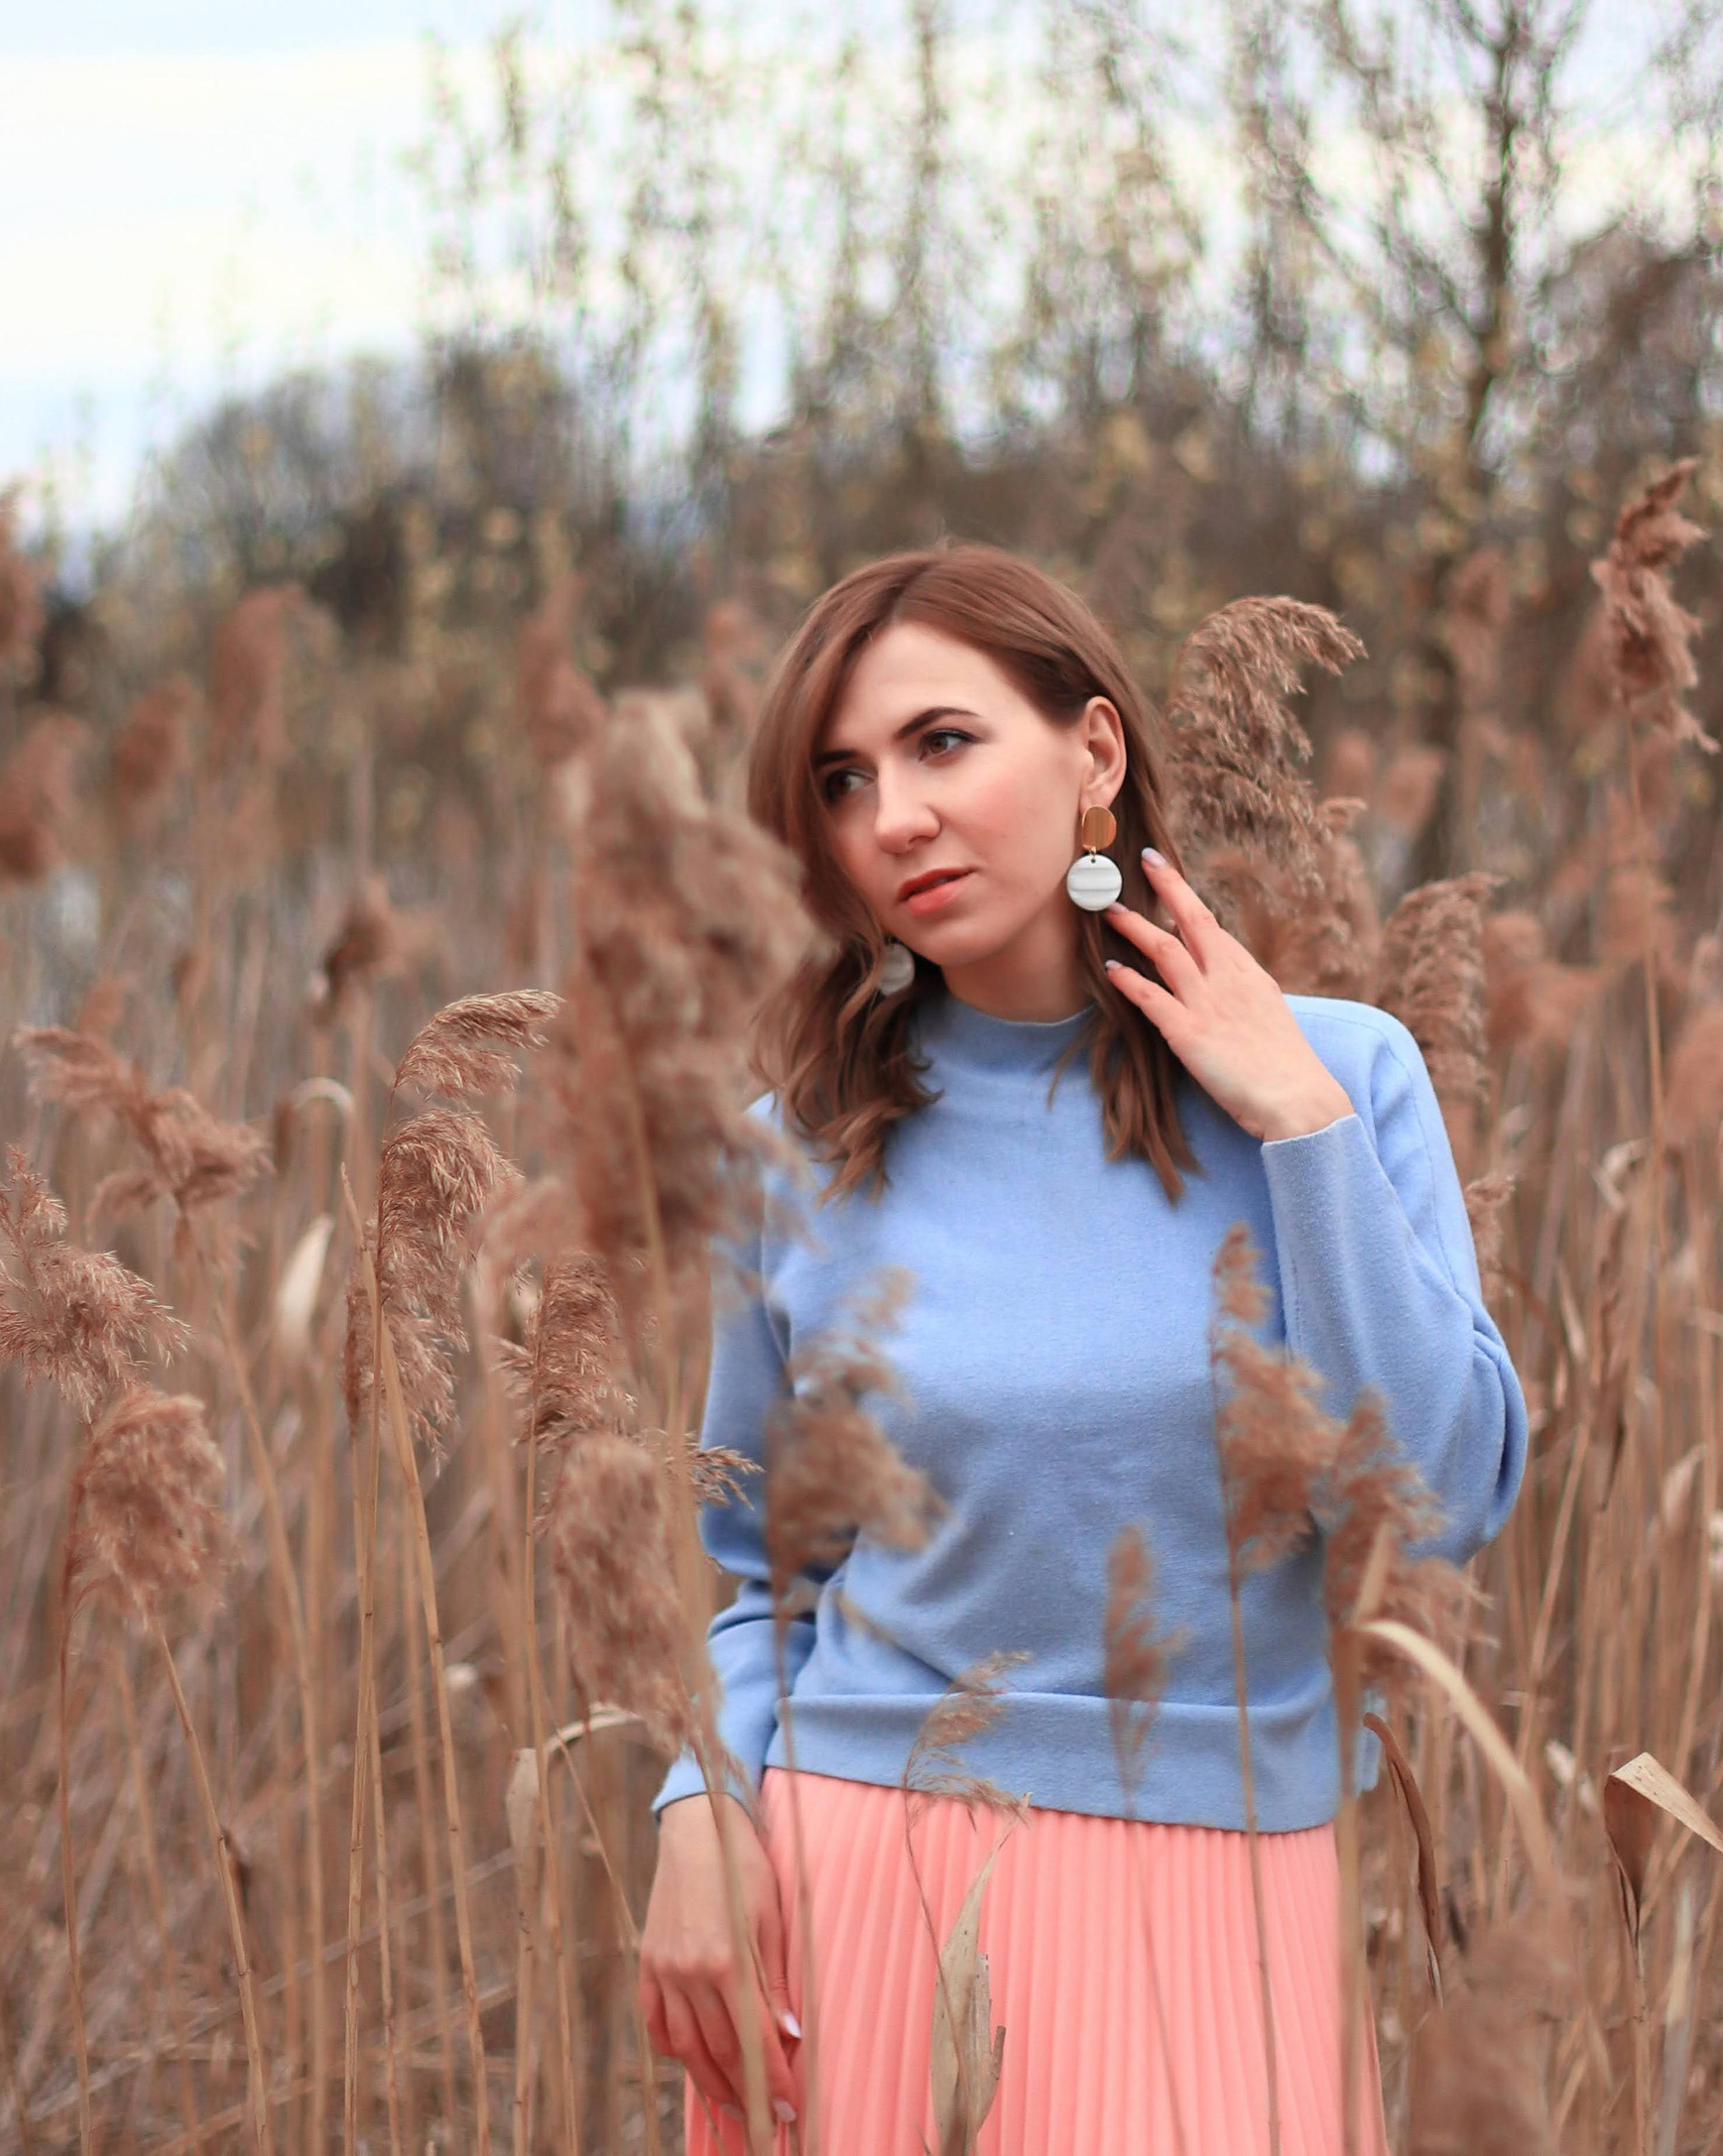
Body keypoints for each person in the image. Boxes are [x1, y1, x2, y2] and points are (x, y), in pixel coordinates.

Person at [637, 543, 1527, 2155]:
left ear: (1094, 750)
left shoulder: (1342, 1072)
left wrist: (1300, 1123)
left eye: (943, 742)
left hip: (1227, 1915)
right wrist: (699, 1794)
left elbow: (1440, 1496)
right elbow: (760, 1574)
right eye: (843, 780)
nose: (895, 814)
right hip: (868, 1900)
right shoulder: (797, 1152)